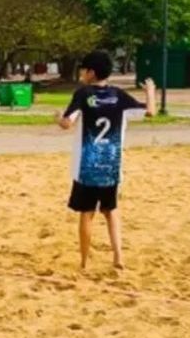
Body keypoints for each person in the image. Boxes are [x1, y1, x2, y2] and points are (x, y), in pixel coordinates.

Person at [56, 50, 156, 269]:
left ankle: (84, 262)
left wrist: (57, 118)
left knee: (87, 214)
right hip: (111, 166)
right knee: (111, 212)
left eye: (84, 70)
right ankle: (118, 257)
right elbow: (150, 112)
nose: (82, 73)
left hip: (87, 167)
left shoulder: (83, 94)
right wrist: (150, 92)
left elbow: (67, 124)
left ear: (91, 72)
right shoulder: (119, 96)